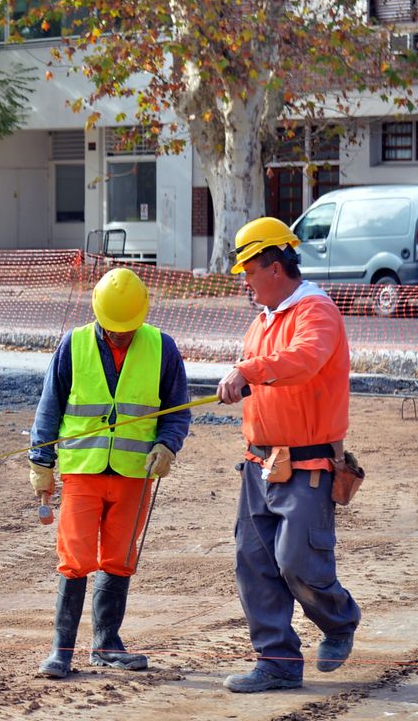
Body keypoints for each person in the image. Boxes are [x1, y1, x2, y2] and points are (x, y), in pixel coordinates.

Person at [215, 217, 360, 693]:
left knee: (297, 560)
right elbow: (267, 377)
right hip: (260, 463)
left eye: (249, 270)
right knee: (254, 563)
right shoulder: (263, 321)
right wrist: (245, 378)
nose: (245, 281)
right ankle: (276, 662)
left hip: (307, 464)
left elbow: (304, 360)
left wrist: (248, 371)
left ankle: (339, 621)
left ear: (274, 267)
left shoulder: (316, 312)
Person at [28, 267, 191, 679]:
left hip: (135, 472)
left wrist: (167, 445)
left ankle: (106, 644)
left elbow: (177, 411)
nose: (120, 335)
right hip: (83, 470)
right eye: (113, 329)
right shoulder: (74, 344)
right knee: (75, 559)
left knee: (120, 558)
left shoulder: (162, 348)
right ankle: (61, 651)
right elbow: (50, 405)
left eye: (127, 329)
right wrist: (41, 463)